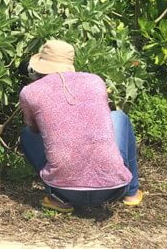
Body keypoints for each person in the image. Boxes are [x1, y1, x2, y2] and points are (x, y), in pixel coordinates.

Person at [19, 39, 143, 212]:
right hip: (114, 189)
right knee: (119, 116)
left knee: (26, 134)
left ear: (39, 66)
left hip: (63, 192)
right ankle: (131, 192)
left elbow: (33, 129)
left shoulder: (29, 92)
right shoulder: (95, 81)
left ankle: (55, 198)